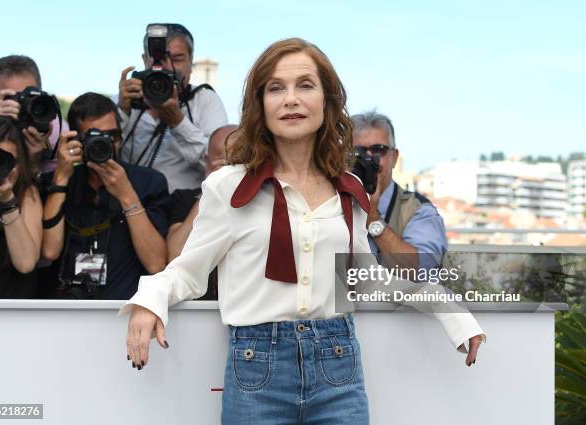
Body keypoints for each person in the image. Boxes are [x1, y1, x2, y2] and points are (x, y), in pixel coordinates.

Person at [119, 38, 485, 424]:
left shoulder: (349, 187)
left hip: (338, 366)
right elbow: (188, 272)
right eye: (276, 88)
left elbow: (365, 280)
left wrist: (448, 308)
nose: (290, 99)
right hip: (255, 367)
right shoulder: (228, 186)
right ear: (260, 105)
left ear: (327, 102)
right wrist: (149, 299)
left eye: (305, 85)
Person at [41, 93, 169, 299]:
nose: (105, 143)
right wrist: (61, 178)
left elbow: (156, 264)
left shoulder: (148, 183)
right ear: (76, 140)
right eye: (94, 136)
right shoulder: (61, 181)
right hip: (67, 311)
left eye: (112, 135)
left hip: (125, 309)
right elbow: (49, 251)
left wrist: (126, 194)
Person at [117, 23, 228, 192]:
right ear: (144, 60)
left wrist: (178, 122)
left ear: (191, 62)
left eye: (177, 59)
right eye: (159, 59)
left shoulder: (205, 101)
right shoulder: (125, 100)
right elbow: (103, 158)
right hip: (133, 210)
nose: (167, 68)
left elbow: (221, 164)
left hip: (189, 211)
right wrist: (121, 114)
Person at [352, 110, 447, 271]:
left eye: (378, 150)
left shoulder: (418, 209)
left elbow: (419, 272)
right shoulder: (332, 201)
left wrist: (373, 218)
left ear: (394, 157)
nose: (367, 160)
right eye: (358, 152)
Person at [0, 115, 43, 298]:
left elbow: (26, 263)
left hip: (10, 316)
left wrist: (7, 202)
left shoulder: (27, 195)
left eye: (8, 161)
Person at [0, 55, 66, 176]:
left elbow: (53, 184)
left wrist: (34, 164)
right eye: (14, 98)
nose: (23, 105)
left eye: (30, 97)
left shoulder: (54, 128)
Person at [166, 124, 239, 262]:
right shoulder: (185, 199)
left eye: (237, 163)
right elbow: (175, 255)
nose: (230, 171)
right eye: (224, 164)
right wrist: (212, 189)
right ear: (207, 161)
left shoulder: (266, 198)